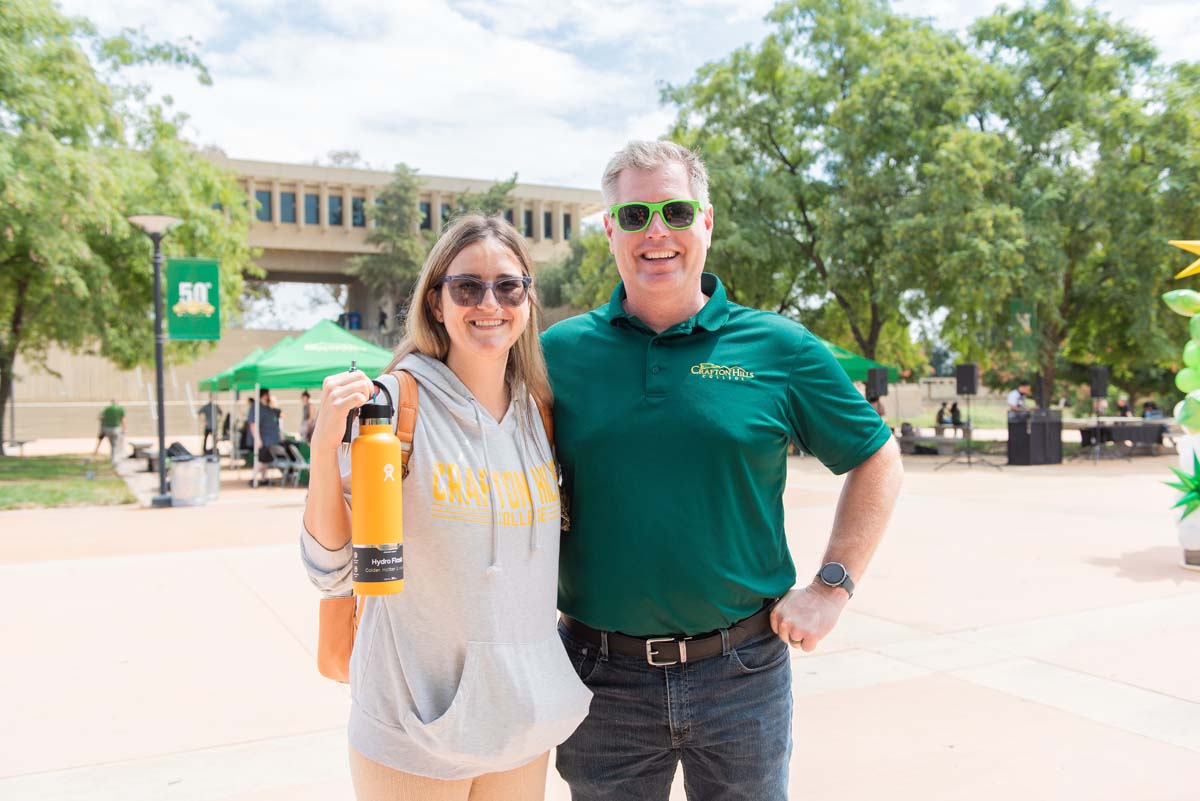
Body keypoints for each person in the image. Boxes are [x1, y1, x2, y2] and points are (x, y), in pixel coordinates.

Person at [541, 140, 903, 801]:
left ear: (706, 222)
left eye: (676, 211)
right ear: (609, 230)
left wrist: (831, 587)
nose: (657, 232)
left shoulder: (780, 347)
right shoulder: (557, 355)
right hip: (598, 677)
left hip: (741, 671)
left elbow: (878, 455)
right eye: (635, 215)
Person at [300, 214, 590, 801]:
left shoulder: (540, 414)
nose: (490, 302)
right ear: (437, 302)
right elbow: (330, 568)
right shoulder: (390, 405)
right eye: (467, 287)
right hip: (412, 734)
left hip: (518, 728)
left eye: (509, 286)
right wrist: (323, 447)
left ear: (528, 302)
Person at [247, 388, 282, 487]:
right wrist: (258, 439)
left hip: (269, 439)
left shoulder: (267, 407)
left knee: (265, 460)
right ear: (265, 395)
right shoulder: (256, 407)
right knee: (261, 460)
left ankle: (263, 478)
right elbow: (253, 424)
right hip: (263, 439)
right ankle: (254, 478)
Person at [92, 399, 126, 464]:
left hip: (107, 429)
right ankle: (114, 460)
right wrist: (124, 429)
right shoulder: (120, 409)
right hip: (116, 429)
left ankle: (112, 458)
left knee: (112, 444)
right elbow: (123, 420)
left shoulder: (106, 409)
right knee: (115, 445)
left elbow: (99, 417)